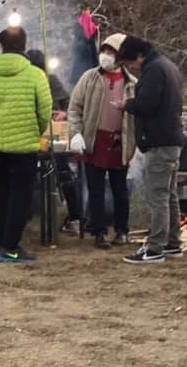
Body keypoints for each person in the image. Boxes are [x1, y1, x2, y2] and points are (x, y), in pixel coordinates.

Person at [0, 27, 52, 265]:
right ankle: (11, 247)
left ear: (1, 46)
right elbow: (45, 111)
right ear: (24, 45)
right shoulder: (36, 75)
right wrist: (36, 131)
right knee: (20, 196)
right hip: (23, 145)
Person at [113, 35, 185, 265]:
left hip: (159, 141)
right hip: (171, 139)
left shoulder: (154, 70)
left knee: (158, 196)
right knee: (169, 195)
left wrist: (127, 104)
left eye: (129, 63)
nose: (130, 68)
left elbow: (147, 103)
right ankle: (173, 242)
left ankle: (155, 248)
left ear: (139, 56)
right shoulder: (168, 66)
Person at [67, 33, 135, 249]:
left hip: (119, 141)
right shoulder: (89, 77)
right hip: (94, 139)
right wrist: (76, 133)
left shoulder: (132, 83)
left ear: (121, 56)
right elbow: (74, 108)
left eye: (111, 52)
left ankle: (122, 230)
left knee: (120, 189)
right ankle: (98, 232)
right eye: (104, 50)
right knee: (95, 189)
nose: (105, 55)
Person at [27, 48, 76, 231]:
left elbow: (69, 105)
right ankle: (31, 214)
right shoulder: (28, 82)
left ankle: (74, 216)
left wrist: (63, 114)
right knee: (31, 175)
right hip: (33, 135)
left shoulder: (51, 81)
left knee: (63, 173)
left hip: (53, 134)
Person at [69, 6, 99, 87]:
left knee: (89, 70)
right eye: (85, 10)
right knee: (82, 70)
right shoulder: (79, 22)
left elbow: (93, 33)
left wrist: (96, 29)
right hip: (83, 49)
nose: (87, 12)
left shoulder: (91, 21)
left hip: (89, 48)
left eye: (88, 10)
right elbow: (81, 35)